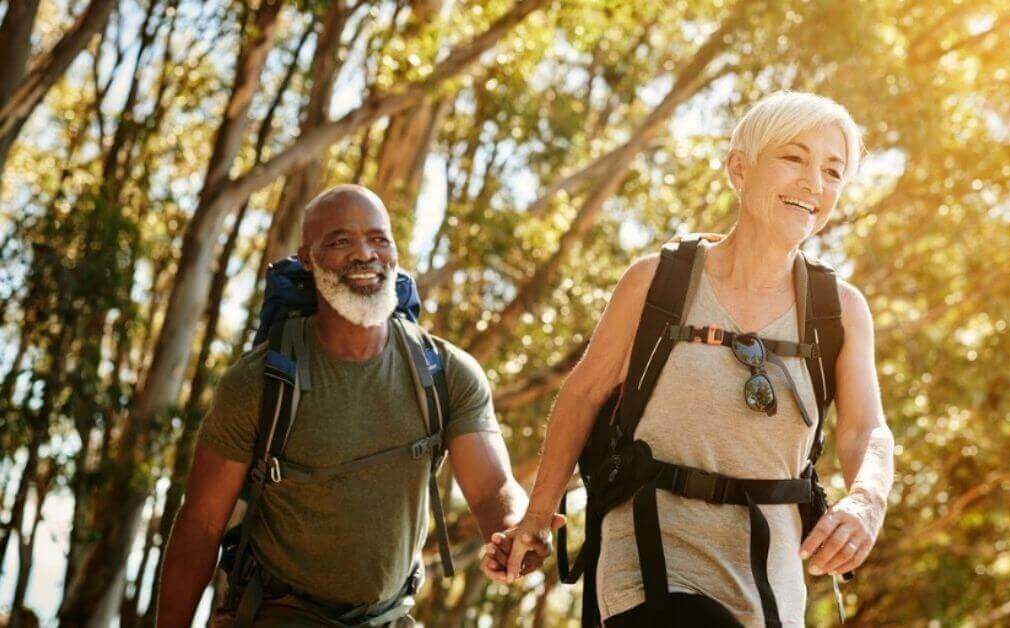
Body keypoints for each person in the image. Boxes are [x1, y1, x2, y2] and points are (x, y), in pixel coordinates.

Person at [483, 92, 895, 626]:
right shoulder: (657, 282)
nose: (814, 184)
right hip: (649, 561)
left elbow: (866, 430)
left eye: (833, 171)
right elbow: (583, 394)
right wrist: (537, 518)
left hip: (768, 584)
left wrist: (867, 500)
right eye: (793, 158)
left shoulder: (839, 311)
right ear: (739, 169)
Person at [157, 185, 557, 627]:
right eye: (340, 241)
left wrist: (516, 528)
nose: (364, 254)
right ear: (307, 258)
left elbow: (491, 487)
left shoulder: (446, 372)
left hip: (391, 617)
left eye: (379, 239)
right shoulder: (259, 383)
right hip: (280, 614)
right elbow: (201, 524)